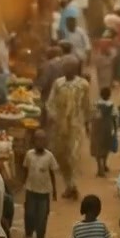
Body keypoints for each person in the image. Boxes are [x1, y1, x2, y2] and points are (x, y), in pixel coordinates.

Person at [46, 56, 90, 200]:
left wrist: (88, 123)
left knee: (73, 156)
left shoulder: (83, 85)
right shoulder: (58, 84)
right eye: (65, 67)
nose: (67, 69)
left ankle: (73, 186)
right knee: (61, 156)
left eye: (70, 67)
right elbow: (50, 103)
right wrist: (53, 117)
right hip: (60, 127)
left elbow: (87, 105)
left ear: (75, 69)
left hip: (76, 126)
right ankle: (68, 184)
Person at [23, 128, 58, 238]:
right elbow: (25, 170)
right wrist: (24, 184)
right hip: (31, 190)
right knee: (29, 214)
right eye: (38, 140)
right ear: (34, 141)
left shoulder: (49, 156)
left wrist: (54, 192)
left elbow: (52, 173)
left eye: (43, 140)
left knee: (42, 217)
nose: (40, 142)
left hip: (44, 192)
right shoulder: (29, 155)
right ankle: (28, 235)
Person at [90, 86, 118, 178]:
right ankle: (104, 165)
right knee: (106, 147)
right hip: (107, 128)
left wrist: (88, 127)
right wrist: (115, 128)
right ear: (109, 95)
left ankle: (99, 168)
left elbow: (91, 116)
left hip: (96, 129)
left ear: (100, 95)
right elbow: (114, 116)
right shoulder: (111, 105)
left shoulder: (95, 104)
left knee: (97, 148)